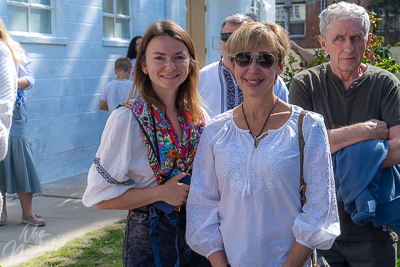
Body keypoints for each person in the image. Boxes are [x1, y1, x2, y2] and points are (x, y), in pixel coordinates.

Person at [186, 21, 340, 267]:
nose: (253, 69)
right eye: (244, 59)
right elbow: (201, 207)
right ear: (233, 65)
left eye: (265, 59)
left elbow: (320, 209)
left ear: (280, 66)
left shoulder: (308, 127)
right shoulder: (216, 130)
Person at [82, 20, 212, 266]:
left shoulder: (199, 117)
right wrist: (161, 193)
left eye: (179, 57)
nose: (170, 66)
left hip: (200, 235)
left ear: (191, 63)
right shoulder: (127, 119)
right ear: (143, 66)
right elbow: (99, 198)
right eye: (159, 58)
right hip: (151, 239)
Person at [289, 2, 400, 266]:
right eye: (339, 38)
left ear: (368, 41)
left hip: (375, 230)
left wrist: (332, 149)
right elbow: (301, 151)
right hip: (318, 228)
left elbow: (398, 148)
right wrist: (367, 132)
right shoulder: (305, 84)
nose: (348, 47)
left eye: (356, 38)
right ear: (323, 42)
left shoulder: (385, 84)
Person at [198, 13, 289, 118]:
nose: (231, 43)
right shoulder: (201, 78)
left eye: (239, 38)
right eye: (226, 37)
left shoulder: (273, 81)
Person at [0, 18, 45, 227]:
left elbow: (30, 79)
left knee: (22, 161)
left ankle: (28, 213)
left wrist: (8, 81)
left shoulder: (13, 49)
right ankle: (1, 212)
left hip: (14, 112)